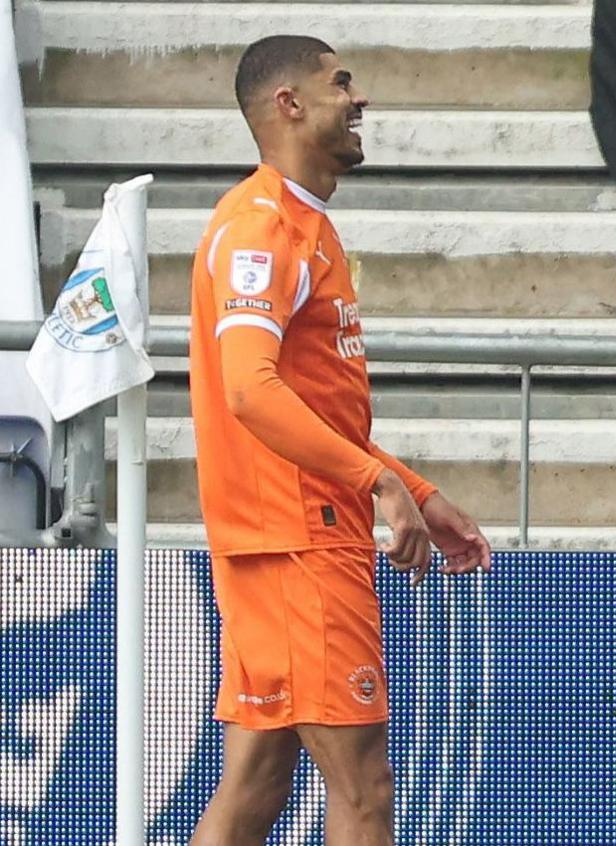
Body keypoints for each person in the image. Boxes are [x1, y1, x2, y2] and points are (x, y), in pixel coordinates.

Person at [187, 35, 491, 845]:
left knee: (257, 782)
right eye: (341, 83)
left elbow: (312, 410)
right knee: (365, 789)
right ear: (288, 104)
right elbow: (250, 390)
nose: (360, 100)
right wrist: (376, 484)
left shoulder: (295, 225)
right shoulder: (264, 230)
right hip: (300, 543)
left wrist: (415, 489)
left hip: (281, 539)